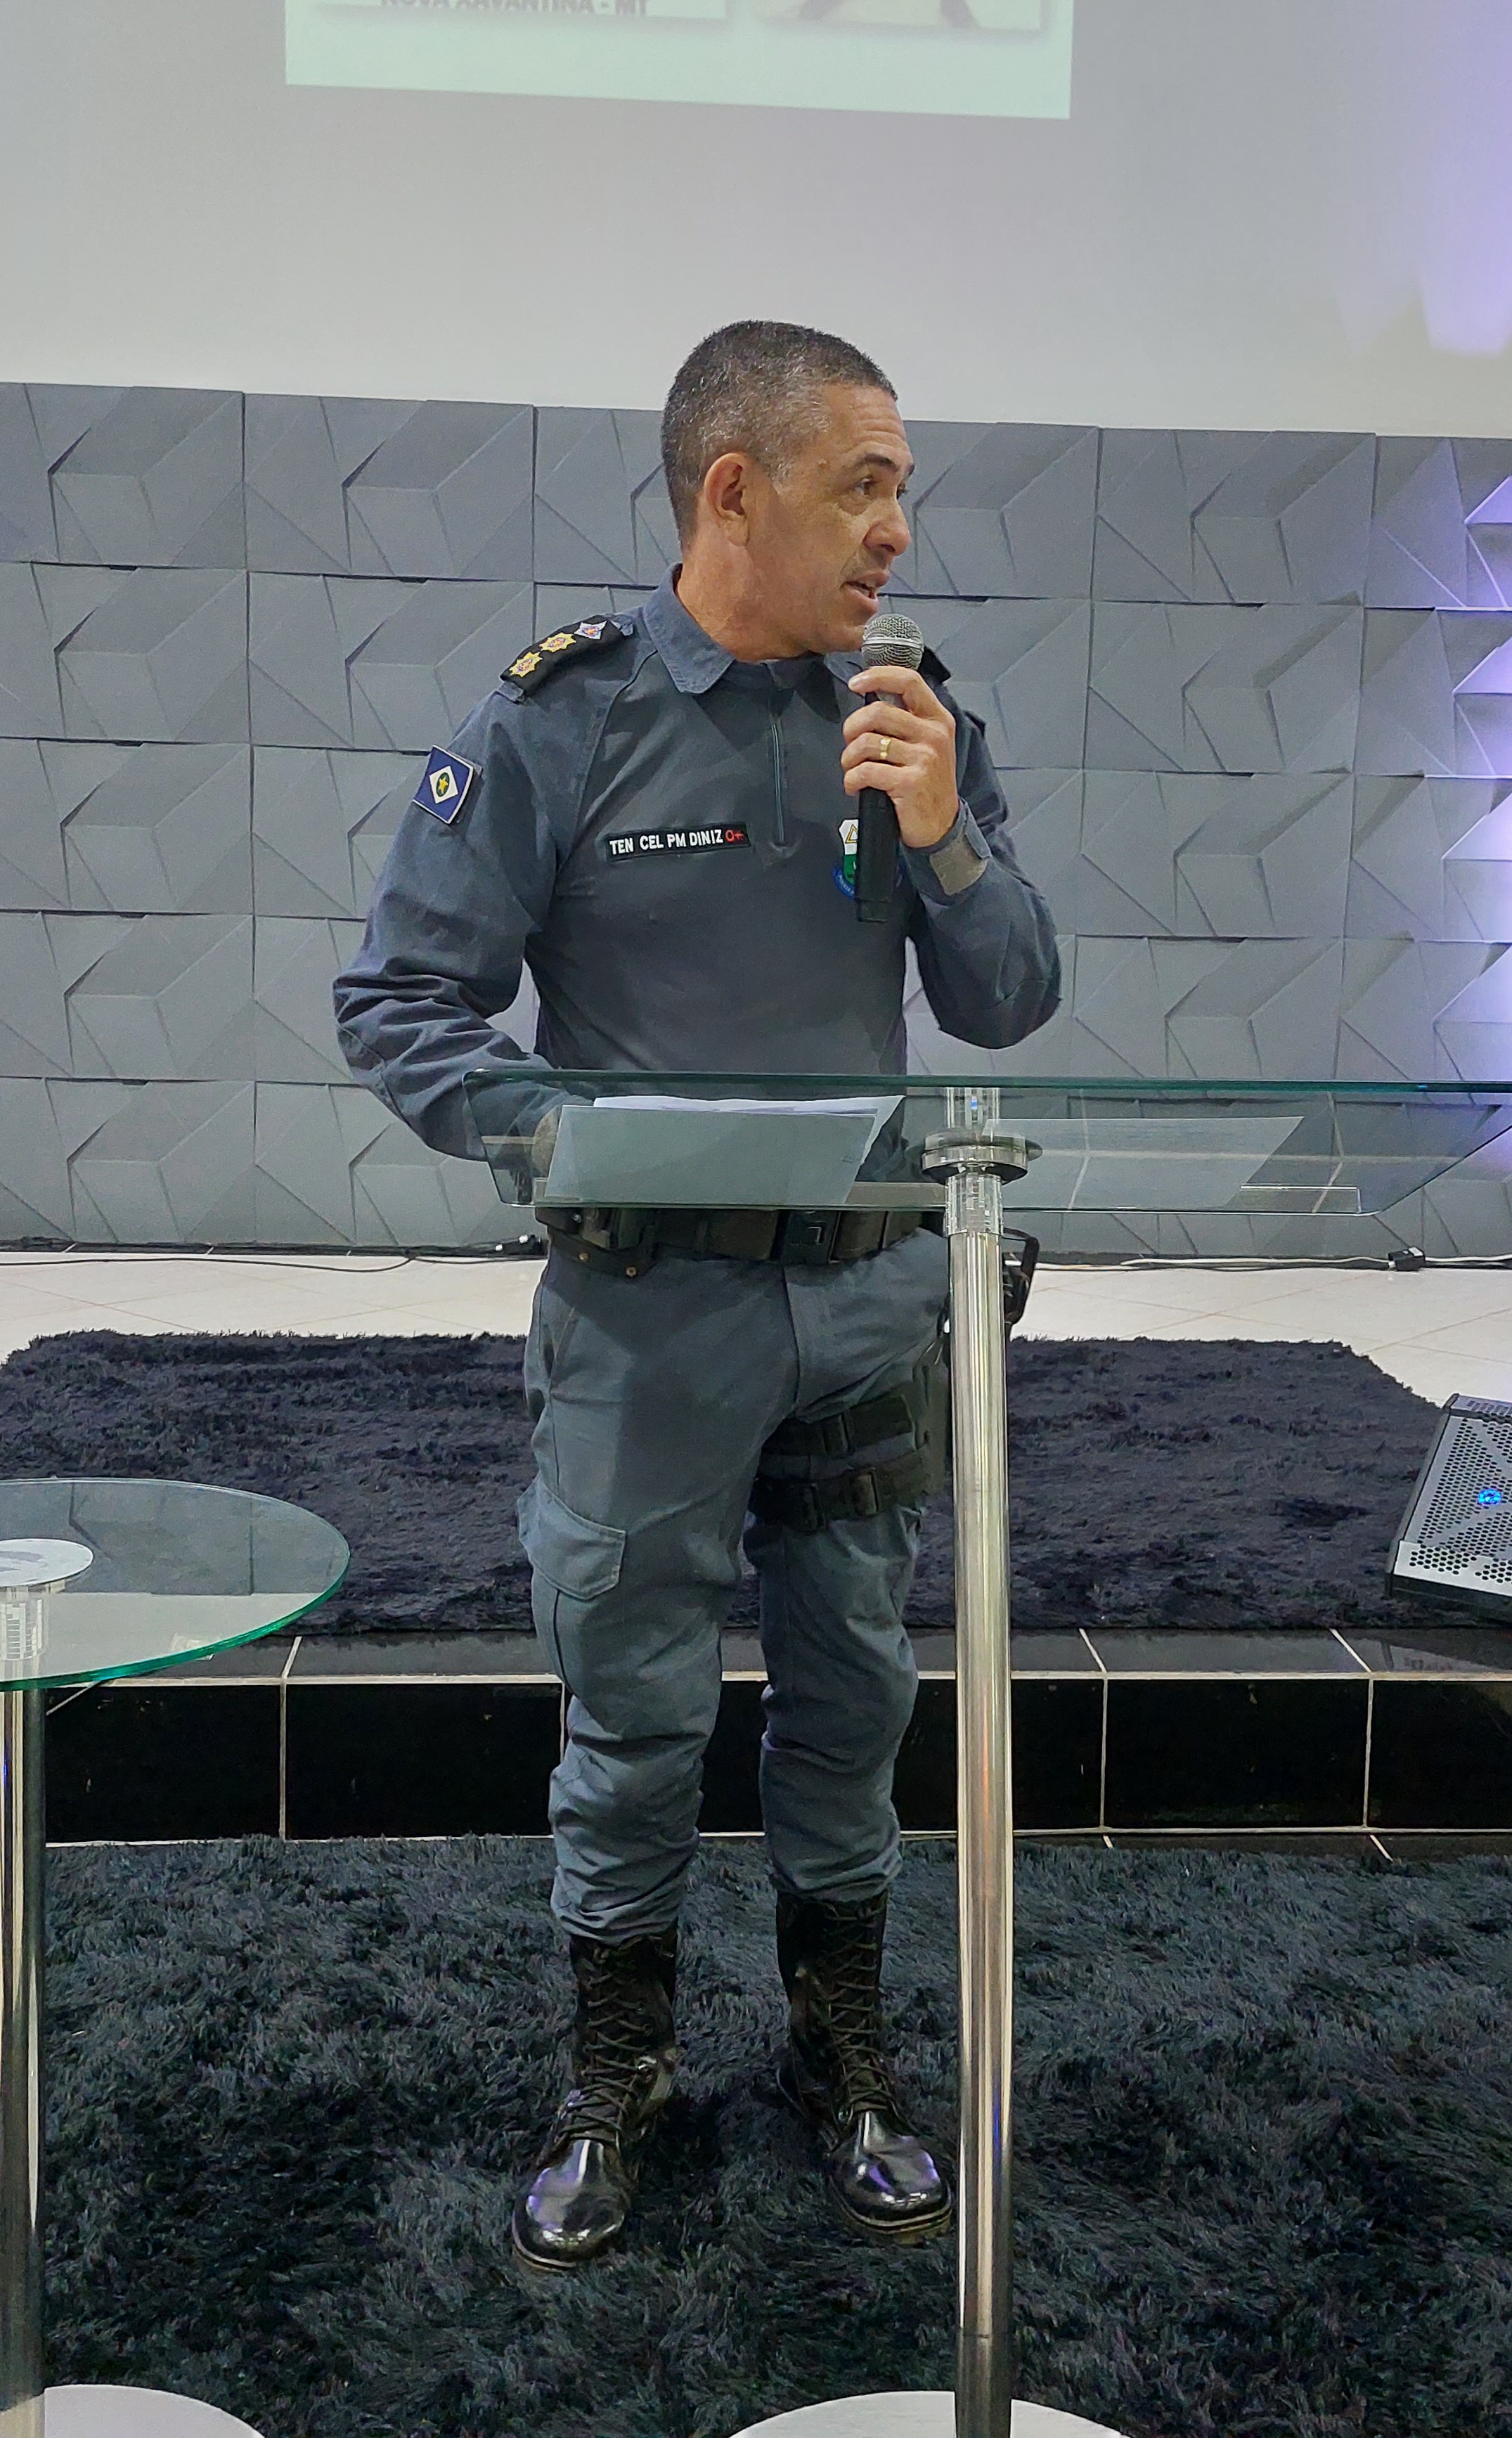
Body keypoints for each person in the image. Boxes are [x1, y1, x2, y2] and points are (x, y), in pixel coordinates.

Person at [334, 321, 1061, 2271]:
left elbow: (1008, 1000)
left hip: (867, 1311)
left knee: (855, 1701)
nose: (897, 529)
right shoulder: (562, 720)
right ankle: (617, 2073)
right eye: (863, 485)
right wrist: (571, 1140)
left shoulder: (911, 719)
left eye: (902, 488)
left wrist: (944, 835)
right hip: (651, 1323)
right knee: (636, 1710)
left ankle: (845, 2057)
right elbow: (398, 999)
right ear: (733, 492)